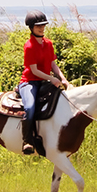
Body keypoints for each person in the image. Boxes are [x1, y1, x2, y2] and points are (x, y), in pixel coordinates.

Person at [18, 10, 70, 155]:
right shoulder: (29, 46)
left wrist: (63, 79)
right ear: (31, 28)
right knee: (29, 107)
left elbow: (53, 64)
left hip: (45, 81)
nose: (41, 28)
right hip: (30, 82)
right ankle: (27, 141)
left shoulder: (48, 44)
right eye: (38, 26)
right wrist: (51, 79)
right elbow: (34, 70)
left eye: (43, 25)